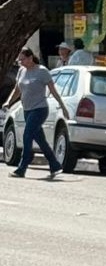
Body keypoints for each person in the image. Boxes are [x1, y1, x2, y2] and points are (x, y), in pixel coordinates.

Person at [4, 47, 69, 179]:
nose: (20, 62)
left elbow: (53, 90)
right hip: (27, 110)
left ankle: (22, 167)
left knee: (27, 135)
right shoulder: (22, 71)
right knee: (41, 140)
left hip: (39, 110)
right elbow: (17, 89)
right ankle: (55, 165)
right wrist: (8, 102)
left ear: (30, 58)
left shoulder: (42, 71)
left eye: (22, 59)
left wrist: (63, 106)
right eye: (19, 60)